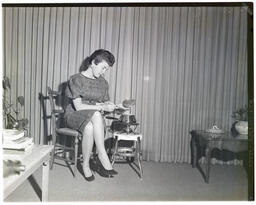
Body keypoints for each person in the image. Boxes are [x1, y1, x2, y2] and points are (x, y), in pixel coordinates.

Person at [65, 49, 118, 181]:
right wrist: (100, 107)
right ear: (93, 62)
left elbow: (104, 102)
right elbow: (78, 107)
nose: (104, 72)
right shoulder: (76, 79)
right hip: (74, 115)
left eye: (106, 69)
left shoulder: (103, 83)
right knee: (95, 113)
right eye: (103, 68)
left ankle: (86, 165)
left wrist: (111, 106)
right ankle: (102, 153)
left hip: (94, 120)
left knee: (89, 127)